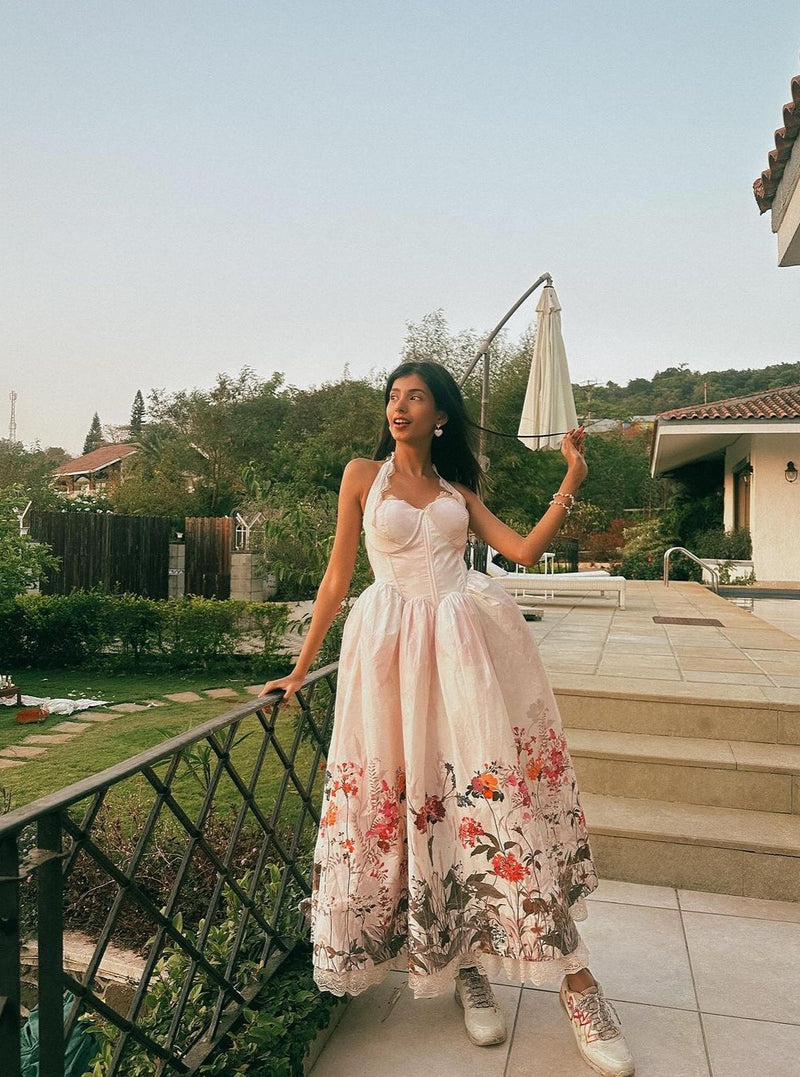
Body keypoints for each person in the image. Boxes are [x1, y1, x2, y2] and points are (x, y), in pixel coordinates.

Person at [262, 361, 634, 1077]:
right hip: (389, 664)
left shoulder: (458, 489)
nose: (398, 407)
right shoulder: (359, 476)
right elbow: (339, 576)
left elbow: (521, 550)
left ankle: (579, 985)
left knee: (497, 809)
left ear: (441, 416)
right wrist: (302, 668)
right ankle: (468, 966)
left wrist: (572, 481)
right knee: (423, 814)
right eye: (393, 397)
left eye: (415, 397)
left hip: (466, 656)